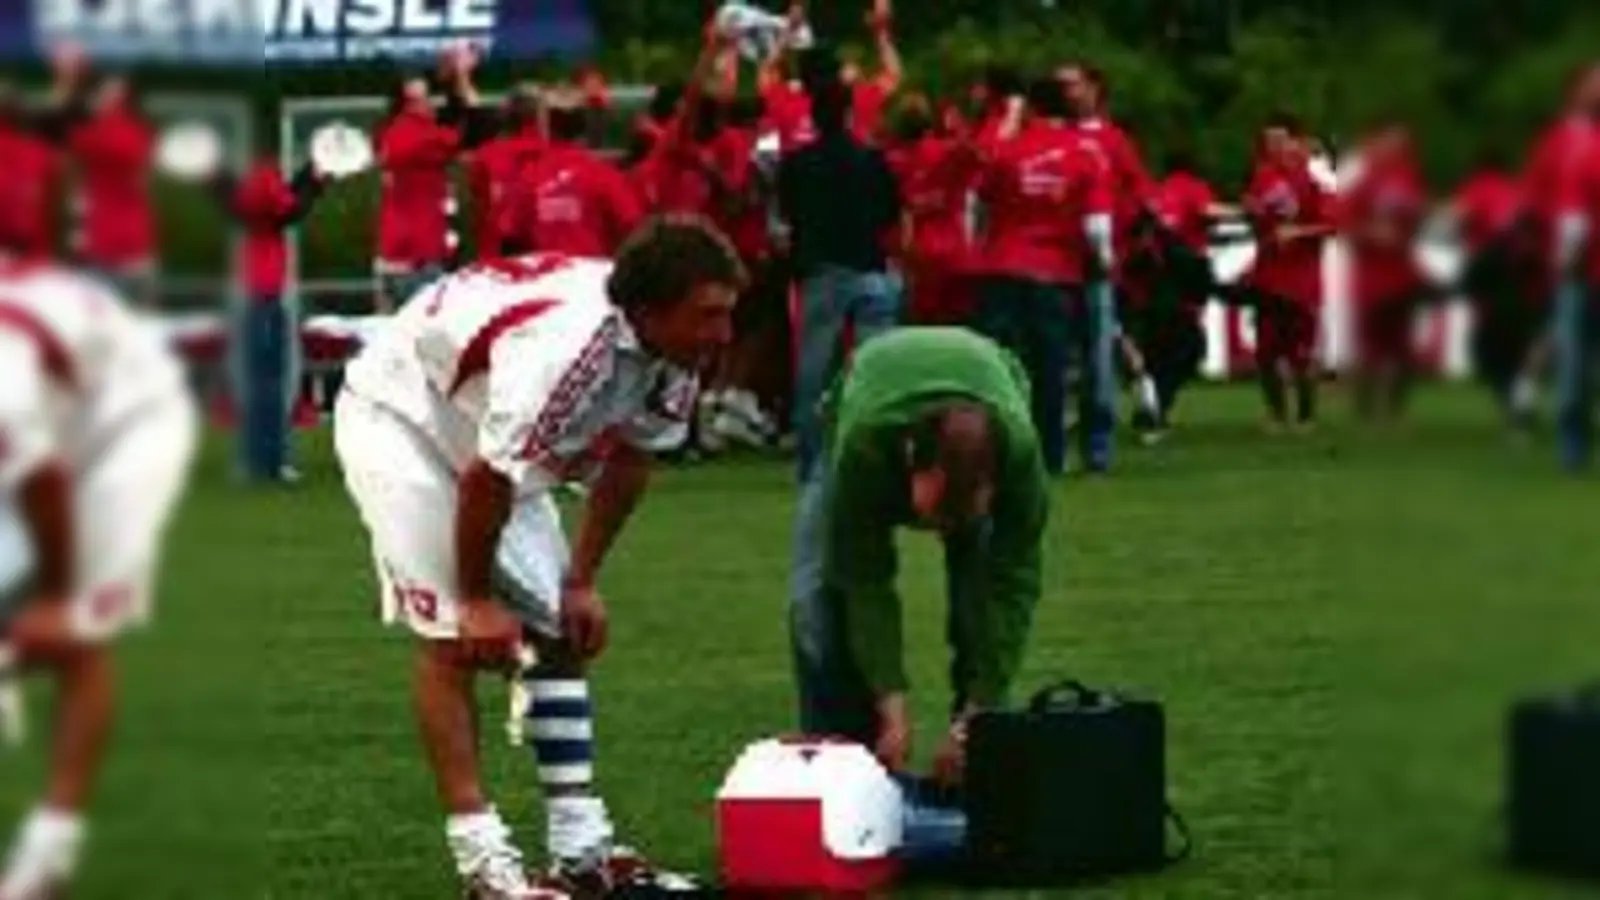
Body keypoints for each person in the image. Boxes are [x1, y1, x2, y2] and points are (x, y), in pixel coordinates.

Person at [332, 218, 744, 898]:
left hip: (485, 427)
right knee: (449, 639)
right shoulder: (565, 348)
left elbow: (634, 458)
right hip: (402, 412)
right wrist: (475, 600)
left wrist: (580, 580)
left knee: (558, 623)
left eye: (727, 314)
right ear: (648, 309)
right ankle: (484, 868)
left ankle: (581, 851)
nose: (723, 334)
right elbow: (488, 480)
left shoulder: (672, 352)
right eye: (708, 315)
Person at [0, 260, 198, 900]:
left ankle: (48, 850)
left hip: (123, 423)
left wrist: (56, 600)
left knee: (75, 635)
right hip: (55, 393)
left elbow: (44, 479)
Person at [790, 326, 1048, 785]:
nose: (941, 531)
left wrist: (975, 717)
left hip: (992, 370)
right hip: (864, 389)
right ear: (911, 459)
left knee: (980, 598)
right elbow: (864, 580)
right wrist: (891, 706)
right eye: (935, 513)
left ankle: (980, 763)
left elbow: (1013, 587)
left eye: (959, 518)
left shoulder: (1020, 457)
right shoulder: (864, 448)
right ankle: (844, 769)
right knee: (817, 605)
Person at [973, 77, 1114, 476]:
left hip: (1001, 270)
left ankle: (997, 451)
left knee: (1000, 367)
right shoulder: (1086, 154)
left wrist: (984, 248)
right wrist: (1101, 263)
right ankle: (1048, 454)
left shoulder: (1007, 151)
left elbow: (980, 206)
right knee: (1050, 369)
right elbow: (1097, 226)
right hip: (1056, 273)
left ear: (1030, 108)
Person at [777, 74, 903, 480]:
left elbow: (787, 215)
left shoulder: (797, 164)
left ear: (812, 117)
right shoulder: (872, 159)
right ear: (850, 114)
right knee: (875, 371)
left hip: (822, 271)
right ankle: (874, 455)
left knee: (814, 371)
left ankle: (812, 461)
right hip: (870, 267)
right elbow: (890, 212)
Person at [208, 153, 331, 485]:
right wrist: (316, 181)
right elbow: (291, 207)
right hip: (270, 293)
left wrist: (310, 179)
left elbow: (284, 201)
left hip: (251, 292)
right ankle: (276, 461)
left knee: (255, 384)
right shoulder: (266, 186)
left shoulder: (246, 192)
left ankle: (252, 462)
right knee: (276, 385)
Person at [1524, 63, 1600, 470]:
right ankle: (1572, 444)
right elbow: (1571, 214)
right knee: (1572, 362)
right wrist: (1565, 260)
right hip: (1582, 273)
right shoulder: (1575, 147)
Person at [1238, 114, 1333, 433]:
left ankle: (1306, 415)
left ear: (1296, 141)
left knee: (1301, 354)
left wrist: (1299, 232)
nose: (1274, 146)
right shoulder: (1263, 176)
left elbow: (1335, 224)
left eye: (1280, 139)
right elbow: (1255, 216)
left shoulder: (1316, 178)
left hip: (1302, 280)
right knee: (1265, 353)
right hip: (1267, 277)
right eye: (1268, 141)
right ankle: (1277, 414)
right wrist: (1250, 212)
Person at [1342, 119, 1429, 422]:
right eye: (1391, 140)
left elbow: (1418, 215)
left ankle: (1394, 408)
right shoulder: (1365, 180)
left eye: (1401, 141)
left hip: (1402, 273)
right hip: (1371, 276)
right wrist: (1371, 233)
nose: (1397, 146)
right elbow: (1346, 224)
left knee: (1402, 346)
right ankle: (1365, 407)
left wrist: (1410, 224)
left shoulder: (1409, 177)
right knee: (1370, 345)